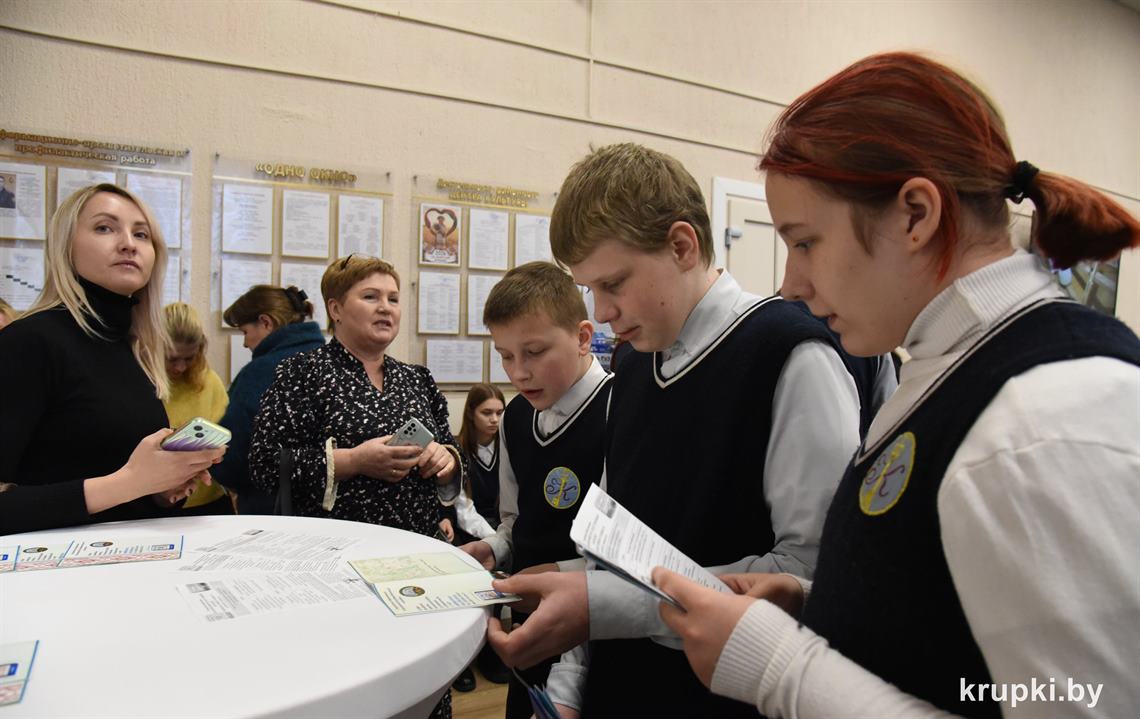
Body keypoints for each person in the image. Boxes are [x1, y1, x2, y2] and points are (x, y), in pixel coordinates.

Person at [650, 52, 1140, 718]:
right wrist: (818, 601)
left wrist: (778, 667)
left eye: (805, 242)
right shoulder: (951, 367)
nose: (790, 284)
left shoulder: (1043, 423)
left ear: (915, 214)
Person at [485, 145, 865, 718]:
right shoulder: (634, 363)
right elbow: (615, 545)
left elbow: (810, 573)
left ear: (682, 246)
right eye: (590, 290)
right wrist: (566, 597)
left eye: (614, 283)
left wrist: (600, 604)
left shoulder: (788, 355)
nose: (602, 311)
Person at [0, 184, 223, 533]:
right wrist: (130, 482)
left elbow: (110, 475)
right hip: (57, 563)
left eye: (141, 234)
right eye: (104, 228)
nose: (128, 243)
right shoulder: (29, 342)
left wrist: (161, 489)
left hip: (136, 555)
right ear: (65, 246)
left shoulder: (136, 350)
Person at [458, 261, 613, 717]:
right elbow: (516, 519)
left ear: (583, 337)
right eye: (505, 356)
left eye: (534, 352)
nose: (519, 373)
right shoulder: (515, 418)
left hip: (595, 634)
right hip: (528, 625)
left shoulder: (619, 411)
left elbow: (618, 556)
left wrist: (556, 572)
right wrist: (494, 548)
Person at [215, 284, 325, 514]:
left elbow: (236, 452)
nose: (245, 343)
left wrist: (218, 470)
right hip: (330, 508)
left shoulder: (260, 373)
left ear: (266, 322)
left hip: (271, 509)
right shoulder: (332, 361)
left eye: (245, 332)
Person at [445, 382, 509, 692]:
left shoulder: (508, 447)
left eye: (499, 412)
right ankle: (461, 661)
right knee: (468, 591)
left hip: (501, 525)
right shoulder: (458, 450)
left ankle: (490, 650)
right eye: (487, 413)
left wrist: (503, 537)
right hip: (470, 530)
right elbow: (463, 509)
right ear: (471, 413)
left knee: (500, 588)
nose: (494, 420)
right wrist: (496, 539)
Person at [163, 302, 231, 515]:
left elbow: (226, 435)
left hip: (208, 500)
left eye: (189, 358)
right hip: (159, 503)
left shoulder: (209, 381)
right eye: (171, 359)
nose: (180, 367)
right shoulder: (139, 381)